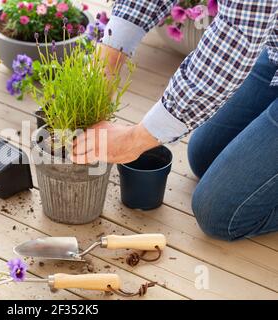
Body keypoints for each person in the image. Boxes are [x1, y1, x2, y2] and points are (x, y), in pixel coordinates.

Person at [72, 0, 278, 241]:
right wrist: (106, 64)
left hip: (248, 39)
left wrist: (134, 139)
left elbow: (230, 47)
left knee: (219, 213)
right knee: (203, 154)